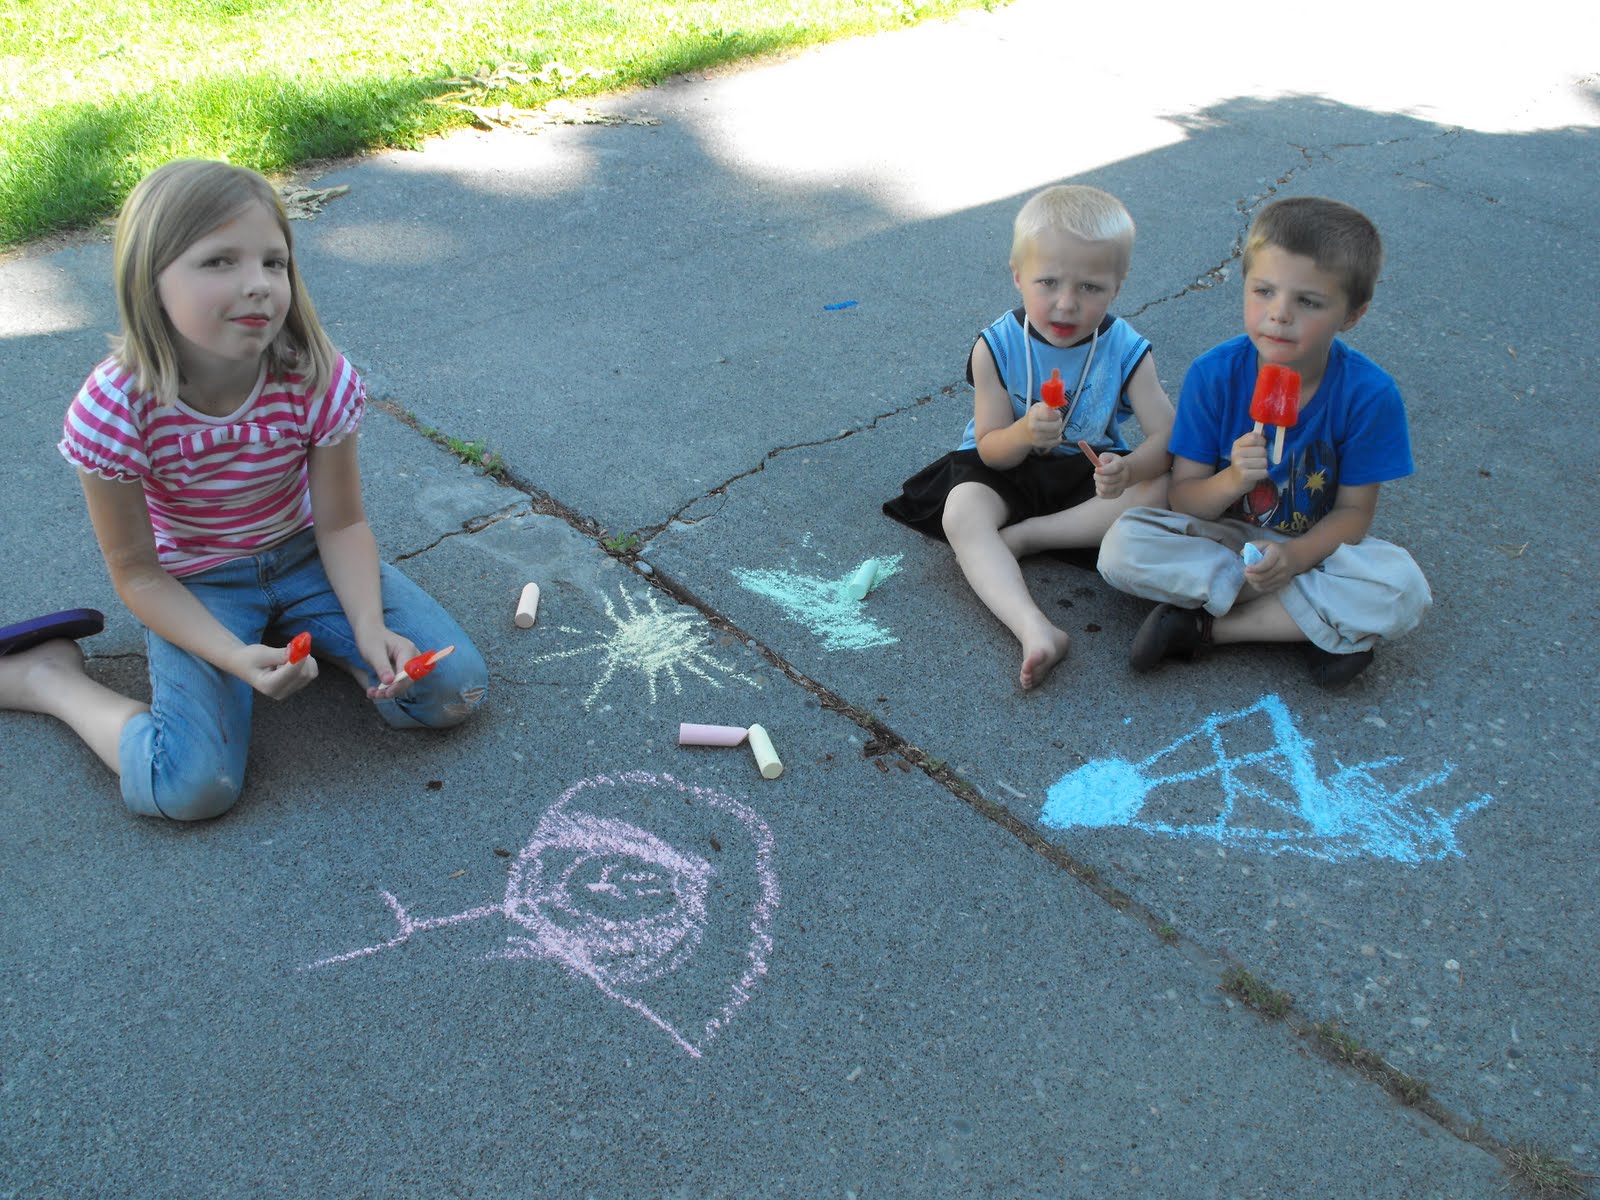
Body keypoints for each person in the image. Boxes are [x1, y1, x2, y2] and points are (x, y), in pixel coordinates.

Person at [0, 160, 488, 821]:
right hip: (198, 585)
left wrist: (372, 630)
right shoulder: (115, 409)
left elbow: (341, 525)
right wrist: (231, 655)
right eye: (219, 262)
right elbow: (138, 573)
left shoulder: (314, 375)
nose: (257, 284)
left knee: (451, 690)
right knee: (192, 788)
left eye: (273, 262)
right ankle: (48, 679)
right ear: (152, 281)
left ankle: (335, 646)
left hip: (306, 556)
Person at [1097, 196, 1430, 686]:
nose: (1279, 315)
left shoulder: (1369, 394)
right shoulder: (1215, 374)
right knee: (1123, 547)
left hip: (1315, 550)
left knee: (1403, 587)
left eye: (1308, 302)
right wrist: (1233, 478)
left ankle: (1208, 628)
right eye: (1264, 291)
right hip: (1228, 541)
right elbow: (1185, 497)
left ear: (1353, 314)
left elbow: (1354, 514)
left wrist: (1292, 559)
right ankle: (1314, 628)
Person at [884, 185, 1174, 689]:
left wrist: (1129, 468)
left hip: (1086, 469)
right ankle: (1034, 628)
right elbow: (991, 450)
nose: (1066, 304)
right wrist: (1022, 430)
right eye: (1048, 282)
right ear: (1017, 275)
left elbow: (1168, 438)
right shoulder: (996, 345)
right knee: (962, 510)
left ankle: (1024, 539)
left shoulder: (1126, 349)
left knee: (1158, 490)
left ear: (1118, 286)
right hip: (1006, 465)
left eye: (1090, 288)